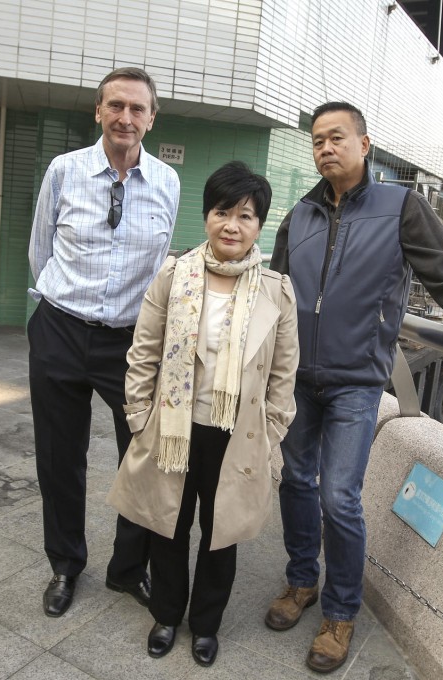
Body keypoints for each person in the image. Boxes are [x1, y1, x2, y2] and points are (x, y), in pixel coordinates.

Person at [265, 102, 443, 673]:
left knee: (338, 496)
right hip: (296, 375)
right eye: (317, 140)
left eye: (337, 137)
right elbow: (273, 294)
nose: (325, 147)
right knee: (295, 479)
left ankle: (341, 612)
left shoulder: (401, 206)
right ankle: (302, 581)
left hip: (356, 381)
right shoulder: (298, 217)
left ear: (365, 144)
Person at [107, 161, 298, 667]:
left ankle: (205, 625)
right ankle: (167, 615)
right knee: (167, 526)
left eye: (246, 215)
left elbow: (283, 374)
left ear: (260, 225)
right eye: (222, 212)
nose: (232, 225)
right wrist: (139, 417)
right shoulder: (175, 275)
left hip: (236, 435)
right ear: (207, 215)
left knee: (221, 534)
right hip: (175, 429)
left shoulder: (276, 291)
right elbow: (143, 352)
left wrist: (271, 433)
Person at [27, 67, 180, 618]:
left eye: (137, 109)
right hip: (60, 331)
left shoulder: (167, 182)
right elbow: (40, 250)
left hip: (131, 344)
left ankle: (126, 570)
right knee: (59, 457)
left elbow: (160, 268)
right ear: (98, 111)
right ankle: (66, 565)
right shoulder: (63, 171)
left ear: (151, 118)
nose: (125, 118)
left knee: (141, 459)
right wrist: (53, 312)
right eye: (115, 106)